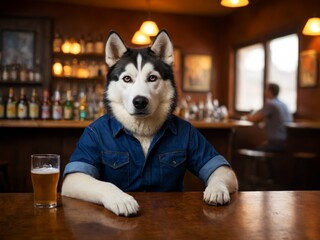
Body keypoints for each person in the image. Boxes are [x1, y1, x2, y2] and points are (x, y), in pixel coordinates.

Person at [244, 83, 292, 152]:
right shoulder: (284, 104)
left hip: (276, 142)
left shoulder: (271, 104)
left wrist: (245, 117)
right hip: (286, 141)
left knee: (254, 151)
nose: (264, 92)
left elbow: (253, 119)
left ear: (270, 91)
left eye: (266, 90)